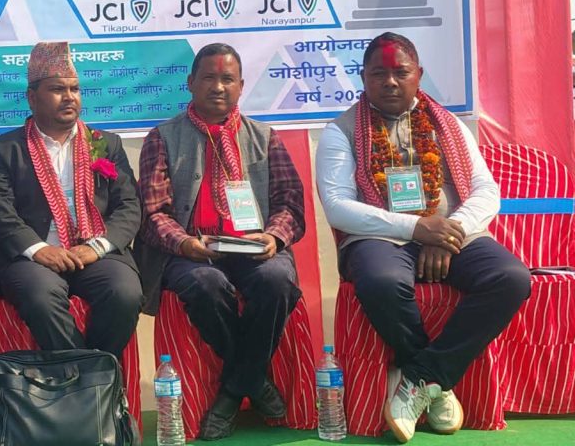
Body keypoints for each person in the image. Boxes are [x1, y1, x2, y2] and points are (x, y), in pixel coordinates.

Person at [316, 32, 531, 443]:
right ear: (363, 77)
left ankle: (419, 377)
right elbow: (338, 206)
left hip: (452, 230)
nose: (390, 81)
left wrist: (447, 231)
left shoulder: (448, 124)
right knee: (382, 282)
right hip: (379, 236)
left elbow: (486, 190)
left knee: (511, 278)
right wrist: (415, 228)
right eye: (378, 73)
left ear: (419, 74)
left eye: (401, 72)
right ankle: (438, 384)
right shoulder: (340, 131)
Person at [135, 42, 305, 441]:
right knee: (206, 284)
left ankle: (232, 391)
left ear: (241, 86)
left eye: (227, 79)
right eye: (208, 78)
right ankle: (253, 382)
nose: (218, 87)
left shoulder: (264, 137)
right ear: (190, 83)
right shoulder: (162, 137)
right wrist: (184, 243)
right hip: (192, 250)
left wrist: (273, 236)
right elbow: (153, 214)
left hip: (254, 247)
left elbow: (291, 204)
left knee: (277, 281)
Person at [0, 41, 143, 362]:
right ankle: (95, 377)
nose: (69, 97)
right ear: (32, 97)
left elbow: (129, 206)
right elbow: (0, 212)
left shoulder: (104, 143)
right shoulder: (5, 149)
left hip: (95, 253)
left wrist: (97, 247)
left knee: (125, 293)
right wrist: (39, 250)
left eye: (75, 89)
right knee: (40, 296)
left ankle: (84, 376)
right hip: (32, 258)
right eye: (58, 89)